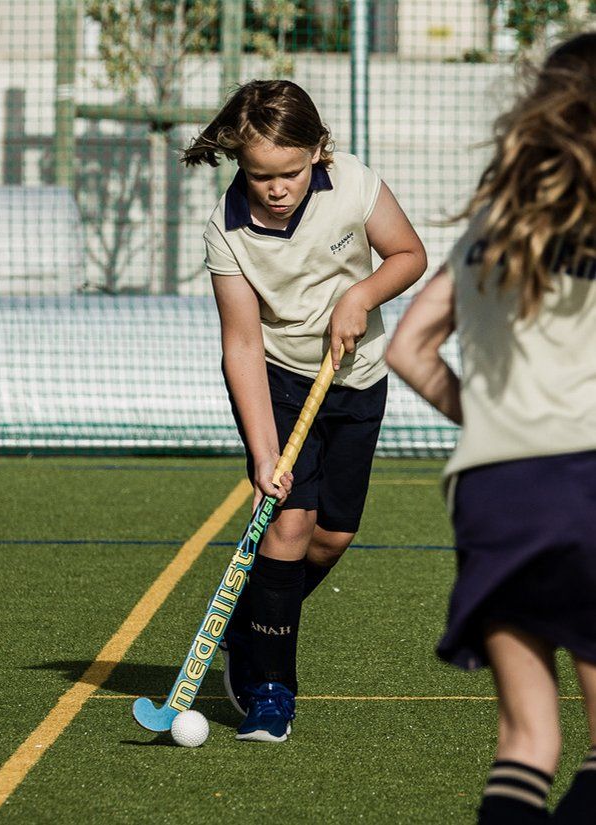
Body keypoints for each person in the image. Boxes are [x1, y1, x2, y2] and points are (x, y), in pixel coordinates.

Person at [385, 32, 596, 824]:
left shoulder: (490, 226)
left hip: (496, 488)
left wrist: (498, 424)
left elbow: (408, 348)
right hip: (589, 481)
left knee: (525, 740)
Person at [182, 79, 426, 742]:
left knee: (332, 536)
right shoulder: (226, 233)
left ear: (318, 151)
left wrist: (363, 294)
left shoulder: (352, 183)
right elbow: (239, 346)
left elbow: (409, 255)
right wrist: (264, 452)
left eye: (290, 172)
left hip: (358, 378)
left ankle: (250, 623)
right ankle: (270, 690)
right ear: (240, 164)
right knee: (290, 523)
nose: (277, 188)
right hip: (279, 380)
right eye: (260, 175)